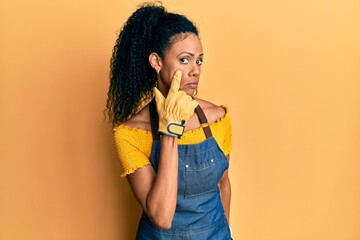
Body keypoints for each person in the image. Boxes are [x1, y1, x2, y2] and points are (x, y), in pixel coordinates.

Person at [106, 2, 233, 239]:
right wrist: (170, 132)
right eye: (184, 60)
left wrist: (227, 233)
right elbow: (161, 217)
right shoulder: (130, 134)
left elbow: (223, 185)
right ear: (156, 62)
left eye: (199, 60)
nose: (195, 70)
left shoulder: (216, 119)